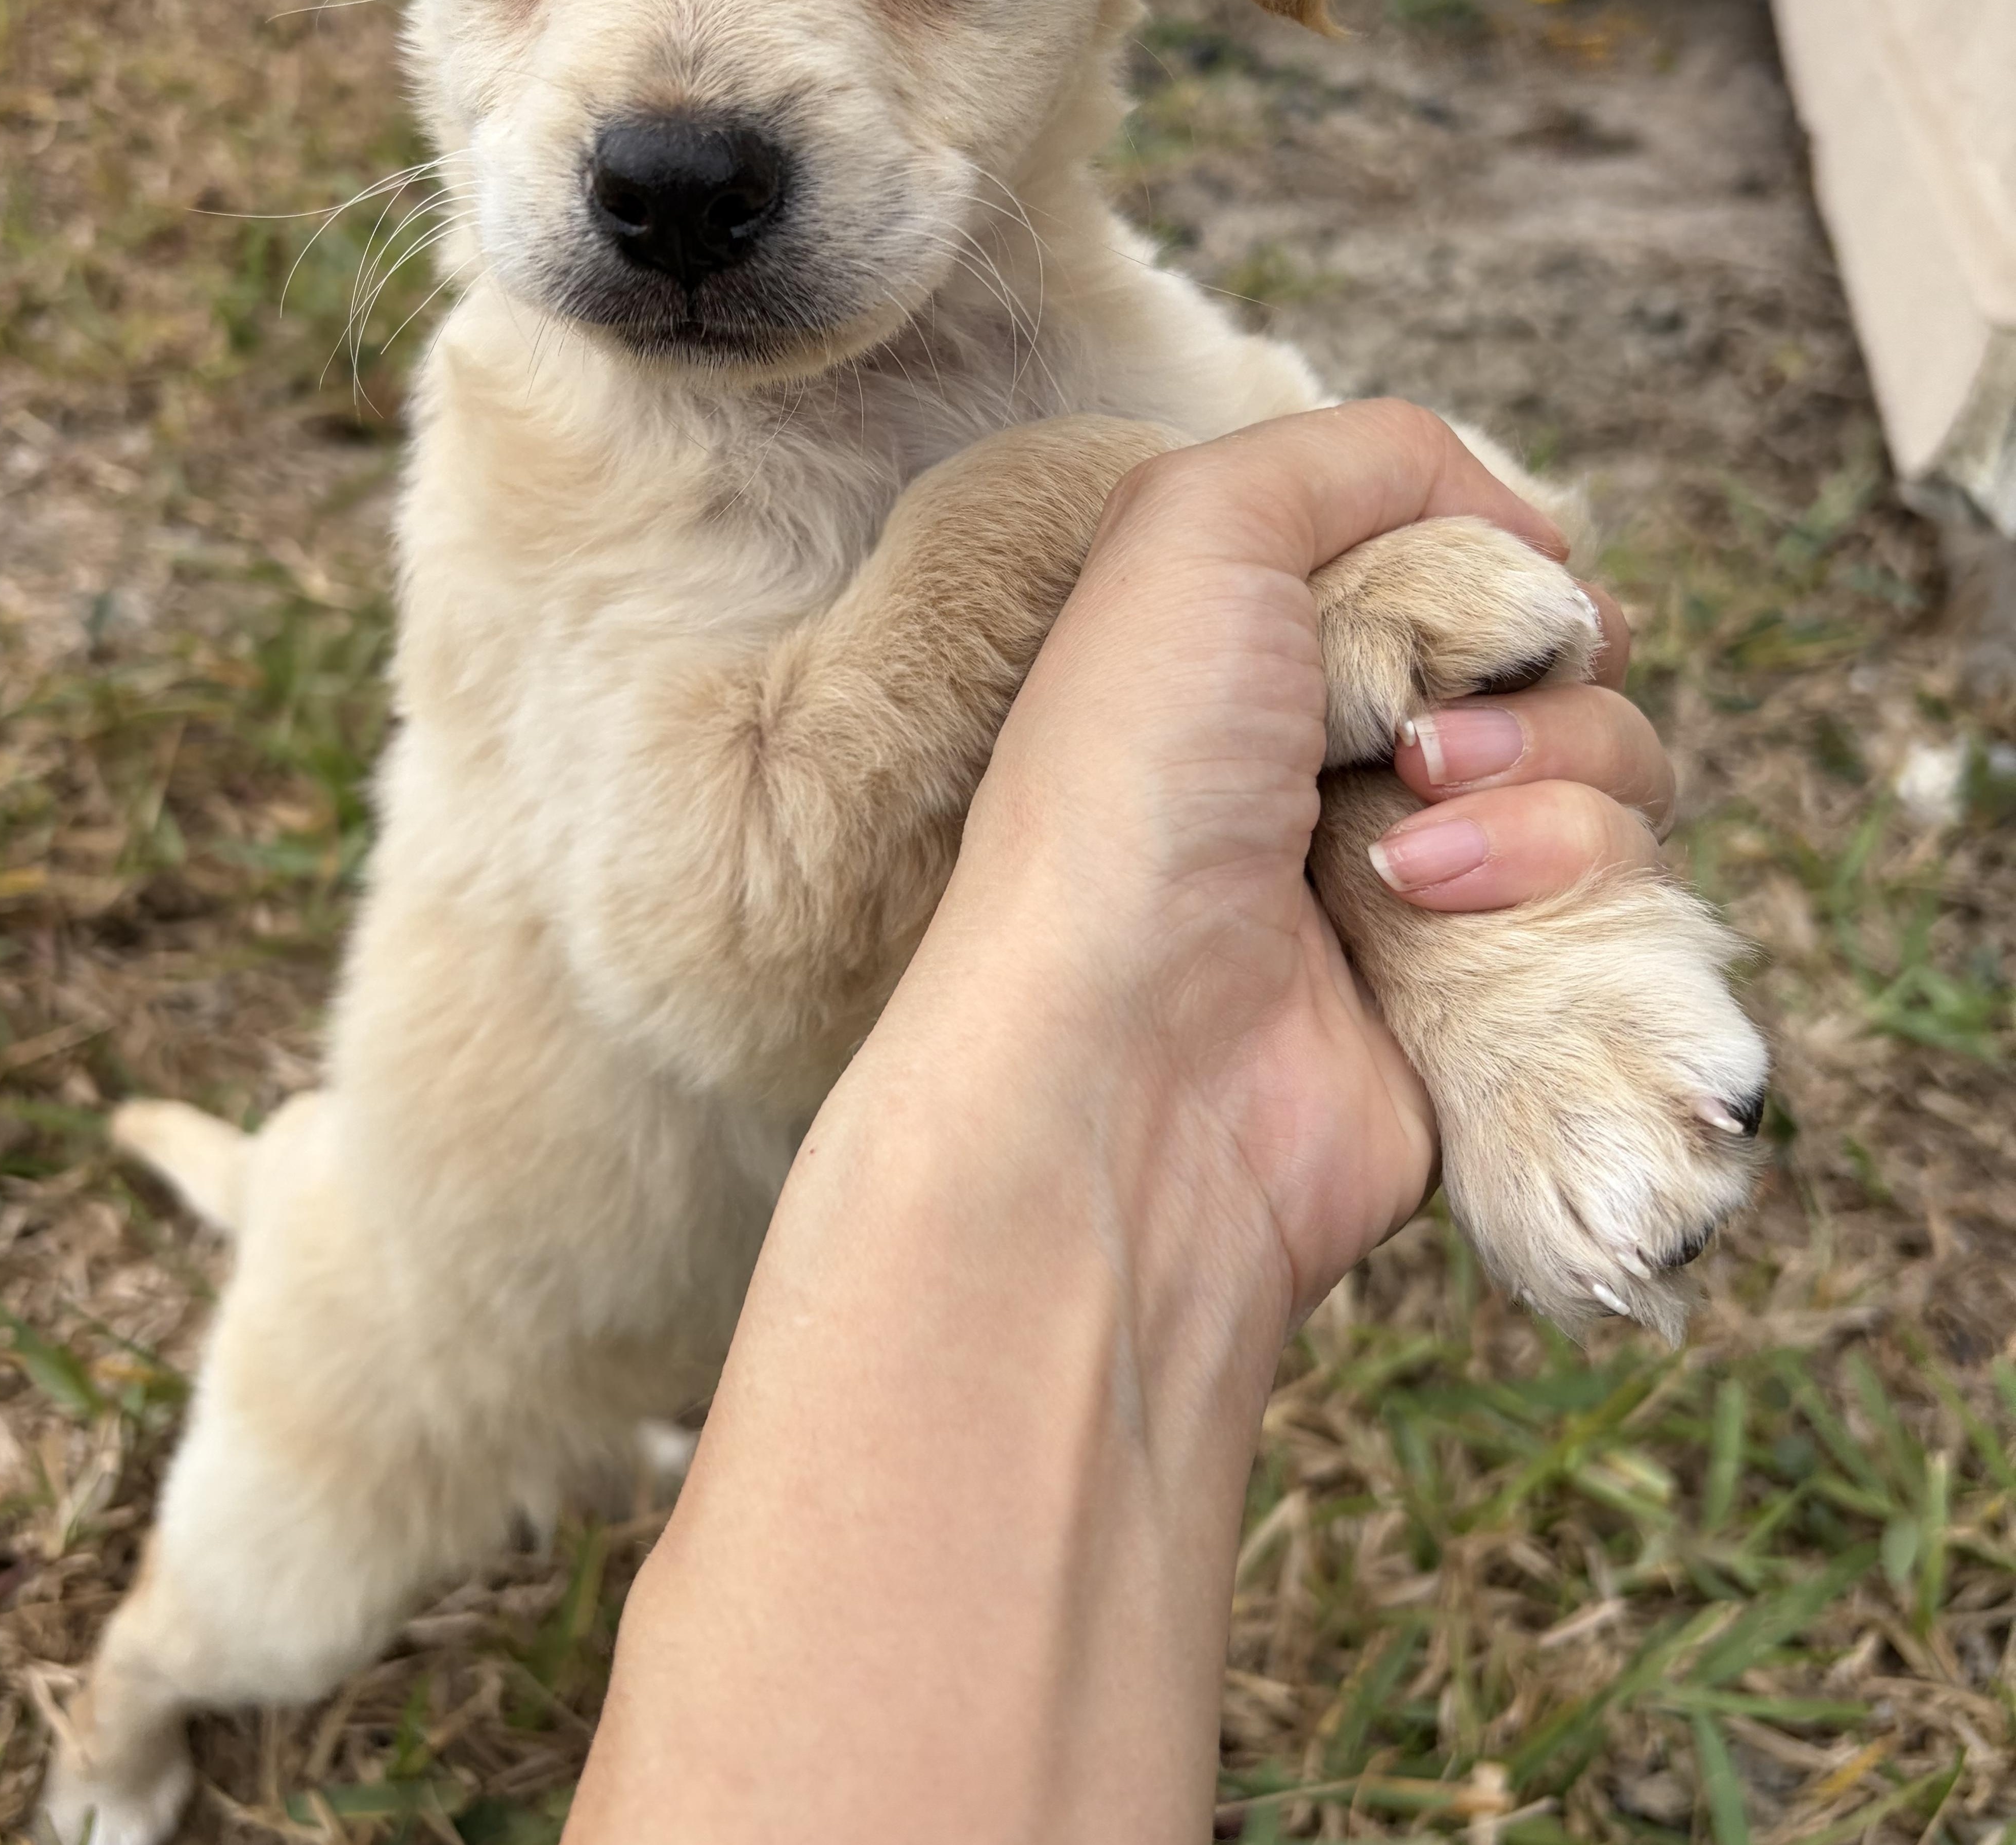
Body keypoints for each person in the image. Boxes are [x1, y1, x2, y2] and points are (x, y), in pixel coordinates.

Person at [563, 402, 1682, 1842]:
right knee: (279, 1588)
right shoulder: (532, 443)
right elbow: (709, 970)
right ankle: (158, 1685)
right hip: (477, 1293)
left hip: (785, 1293)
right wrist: (1086, 502)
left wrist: (1163, 1081)